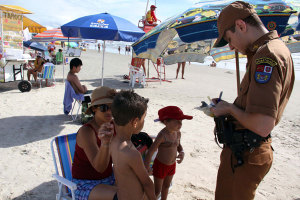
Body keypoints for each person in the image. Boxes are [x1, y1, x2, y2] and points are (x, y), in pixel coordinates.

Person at [210, 1, 295, 200]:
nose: (231, 46)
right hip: (245, 150)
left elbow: (263, 124)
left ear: (241, 25)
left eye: (229, 39)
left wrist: (229, 109)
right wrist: (229, 106)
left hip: (246, 152)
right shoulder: (267, 50)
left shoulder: (266, 55)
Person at [72, 86, 118, 200]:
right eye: (104, 107)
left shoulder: (114, 125)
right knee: (124, 196)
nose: (109, 111)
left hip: (110, 178)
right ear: (94, 109)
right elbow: (100, 167)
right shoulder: (87, 131)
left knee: (140, 189)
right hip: (86, 184)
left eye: (113, 107)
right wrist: (105, 143)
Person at [110, 90, 156, 200]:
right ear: (135, 122)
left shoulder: (113, 142)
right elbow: (147, 184)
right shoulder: (131, 153)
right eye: (144, 118)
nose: (144, 121)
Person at [144, 106, 192, 200]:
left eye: (181, 121)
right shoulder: (162, 135)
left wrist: (182, 152)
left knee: (166, 187)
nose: (180, 124)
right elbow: (151, 152)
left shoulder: (178, 133)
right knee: (157, 191)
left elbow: (178, 145)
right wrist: (147, 168)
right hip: (160, 165)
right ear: (166, 122)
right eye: (177, 121)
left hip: (172, 165)